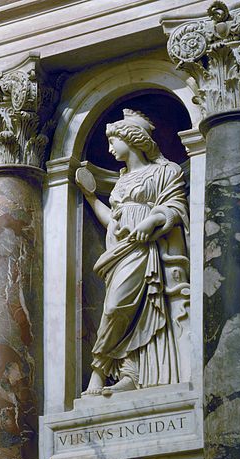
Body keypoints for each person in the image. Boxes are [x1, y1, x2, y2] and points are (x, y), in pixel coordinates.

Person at [76, 109, 190, 396]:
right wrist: (91, 197)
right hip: (118, 250)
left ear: (132, 139)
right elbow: (111, 221)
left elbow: (176, 207)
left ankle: (99, 372)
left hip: (147, 247)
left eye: (114, 141)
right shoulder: (120, 182)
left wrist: (152, 220)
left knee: (120, 308)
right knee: (122, 310)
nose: (110, 148)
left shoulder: (166, 172)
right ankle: (131, 372)